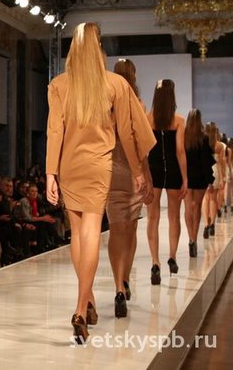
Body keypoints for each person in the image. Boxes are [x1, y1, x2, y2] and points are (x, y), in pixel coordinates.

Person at [46, 22, 147, 344]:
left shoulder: (59, 84)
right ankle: (81, 306)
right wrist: (137, 170)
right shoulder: (115, 83)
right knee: (90, 232)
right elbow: (127, 133)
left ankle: (86, 299)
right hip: (99, 165)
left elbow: (55, 131)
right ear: (99, 47)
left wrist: (51, 173)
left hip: (69, 165)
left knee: (77, 235)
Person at [106, 59, 155, 318]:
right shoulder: (138, 105)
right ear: (133, 77)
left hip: (110, 170)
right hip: (133, 170)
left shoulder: (105, 106)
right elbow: (141, 146)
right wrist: (146, 176)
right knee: (131, 229)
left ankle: (118, 286)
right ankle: (125, 280)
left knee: (116, 229)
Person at [145, 79, 187, 283]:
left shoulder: (147, 119)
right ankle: (172, 256)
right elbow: (179, 151)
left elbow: (144, 150)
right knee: (174, 216)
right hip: (172, 171)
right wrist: (185, 178)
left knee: (152, 217)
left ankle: (155, 262)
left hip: (153, 170)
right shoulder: (178, 120)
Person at [184, 109, 215, 256]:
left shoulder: (183, 137)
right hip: (200, 178)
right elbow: (206, 162)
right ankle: (194, 239)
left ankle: (190, 238)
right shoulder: (204, 138)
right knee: (196, 207)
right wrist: (210, 180)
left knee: (187, 208)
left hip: (186, 177)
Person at [202, 122, 226, 238]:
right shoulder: (220, 146)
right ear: (216, 132)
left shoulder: (202, 143)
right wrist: (221, 178)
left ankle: (205, 225)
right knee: (213, 199)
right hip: (215, 172)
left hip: (204, 171)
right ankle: (212, 225)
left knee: (205, 198)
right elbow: (221, 163)